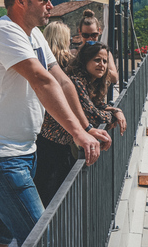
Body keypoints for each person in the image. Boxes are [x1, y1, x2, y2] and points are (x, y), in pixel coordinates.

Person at [0, 0, 112, 247]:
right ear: (21, 1)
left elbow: (62, 79)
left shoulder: (33, 35)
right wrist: (77, 133)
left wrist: (87, 126)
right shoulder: (4, 31)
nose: (50, 4)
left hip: (19, 151)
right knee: (40, 244)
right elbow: (42, 79)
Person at [34, 41, 126, 206]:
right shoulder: (76, 82)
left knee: (60, 198)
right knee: (49, 199)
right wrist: (113, 116)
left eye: (105, 61)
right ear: (85, 61)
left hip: (62, 147)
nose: (102, 65)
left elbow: (97, 106)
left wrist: (115, 110)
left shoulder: (89, 82)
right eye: (97, 60)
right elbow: (92, 114)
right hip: (49, 147)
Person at [76, 9, 119, 85]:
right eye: (85, 35)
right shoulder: (75, 52)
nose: (90, 39)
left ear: (99, 31)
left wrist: (99, 68)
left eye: (94, 35)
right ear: (80, 32)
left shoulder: (104, 52)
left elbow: (115, 78)